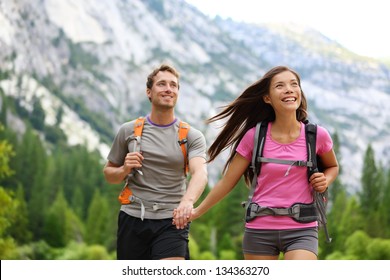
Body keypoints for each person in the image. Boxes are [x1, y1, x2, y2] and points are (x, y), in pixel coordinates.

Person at [173, 65, 339, 260]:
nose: (289, 89)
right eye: (280, 85)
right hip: (260, 229)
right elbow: (227, 182)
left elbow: (332, 166)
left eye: (294, 84)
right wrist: (196, 212)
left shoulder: (317, 135)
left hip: (302, 228)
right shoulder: (255, 136)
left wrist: (325, 180)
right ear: (267, 98)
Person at [103, 64, 208, 260]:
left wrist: (187, 201)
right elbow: (109, 175)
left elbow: (200, 173)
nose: (169, 89)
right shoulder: (128, 131)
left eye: (174, 85)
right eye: (162, 84)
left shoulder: (191, 136)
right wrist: (125, 169)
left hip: (173, 219)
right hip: (132, 217)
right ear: (149, 92)